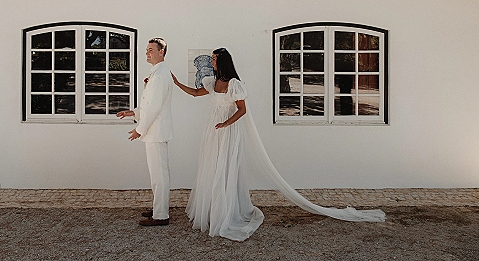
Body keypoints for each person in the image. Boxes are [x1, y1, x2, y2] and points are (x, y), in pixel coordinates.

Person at [172, 47, 385, 241]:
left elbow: (242, 110)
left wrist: (225, 123)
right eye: (211, 59)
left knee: (225, 168)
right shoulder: (212, 82)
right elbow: (194, 92)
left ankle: (227, 212)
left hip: (227, 131)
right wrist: (176, 83)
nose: (212, 62)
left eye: (214, 59)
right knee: (212, 166)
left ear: (223, 61)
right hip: (213, 131)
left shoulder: (234, 84)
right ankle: (213, 210)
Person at [117, 38, 173, 226]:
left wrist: (139, 130)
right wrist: (133, 112)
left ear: (161, 52)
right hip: (154, 130)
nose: (147, 53)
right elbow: (149, 105)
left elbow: (155, 107)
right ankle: (159, 208)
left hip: (155, 131)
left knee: (159, 174)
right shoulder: (157, 73)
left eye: (151, 50)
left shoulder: (160, 75)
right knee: (157, 174)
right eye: (146, 50)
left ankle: (161, 215)